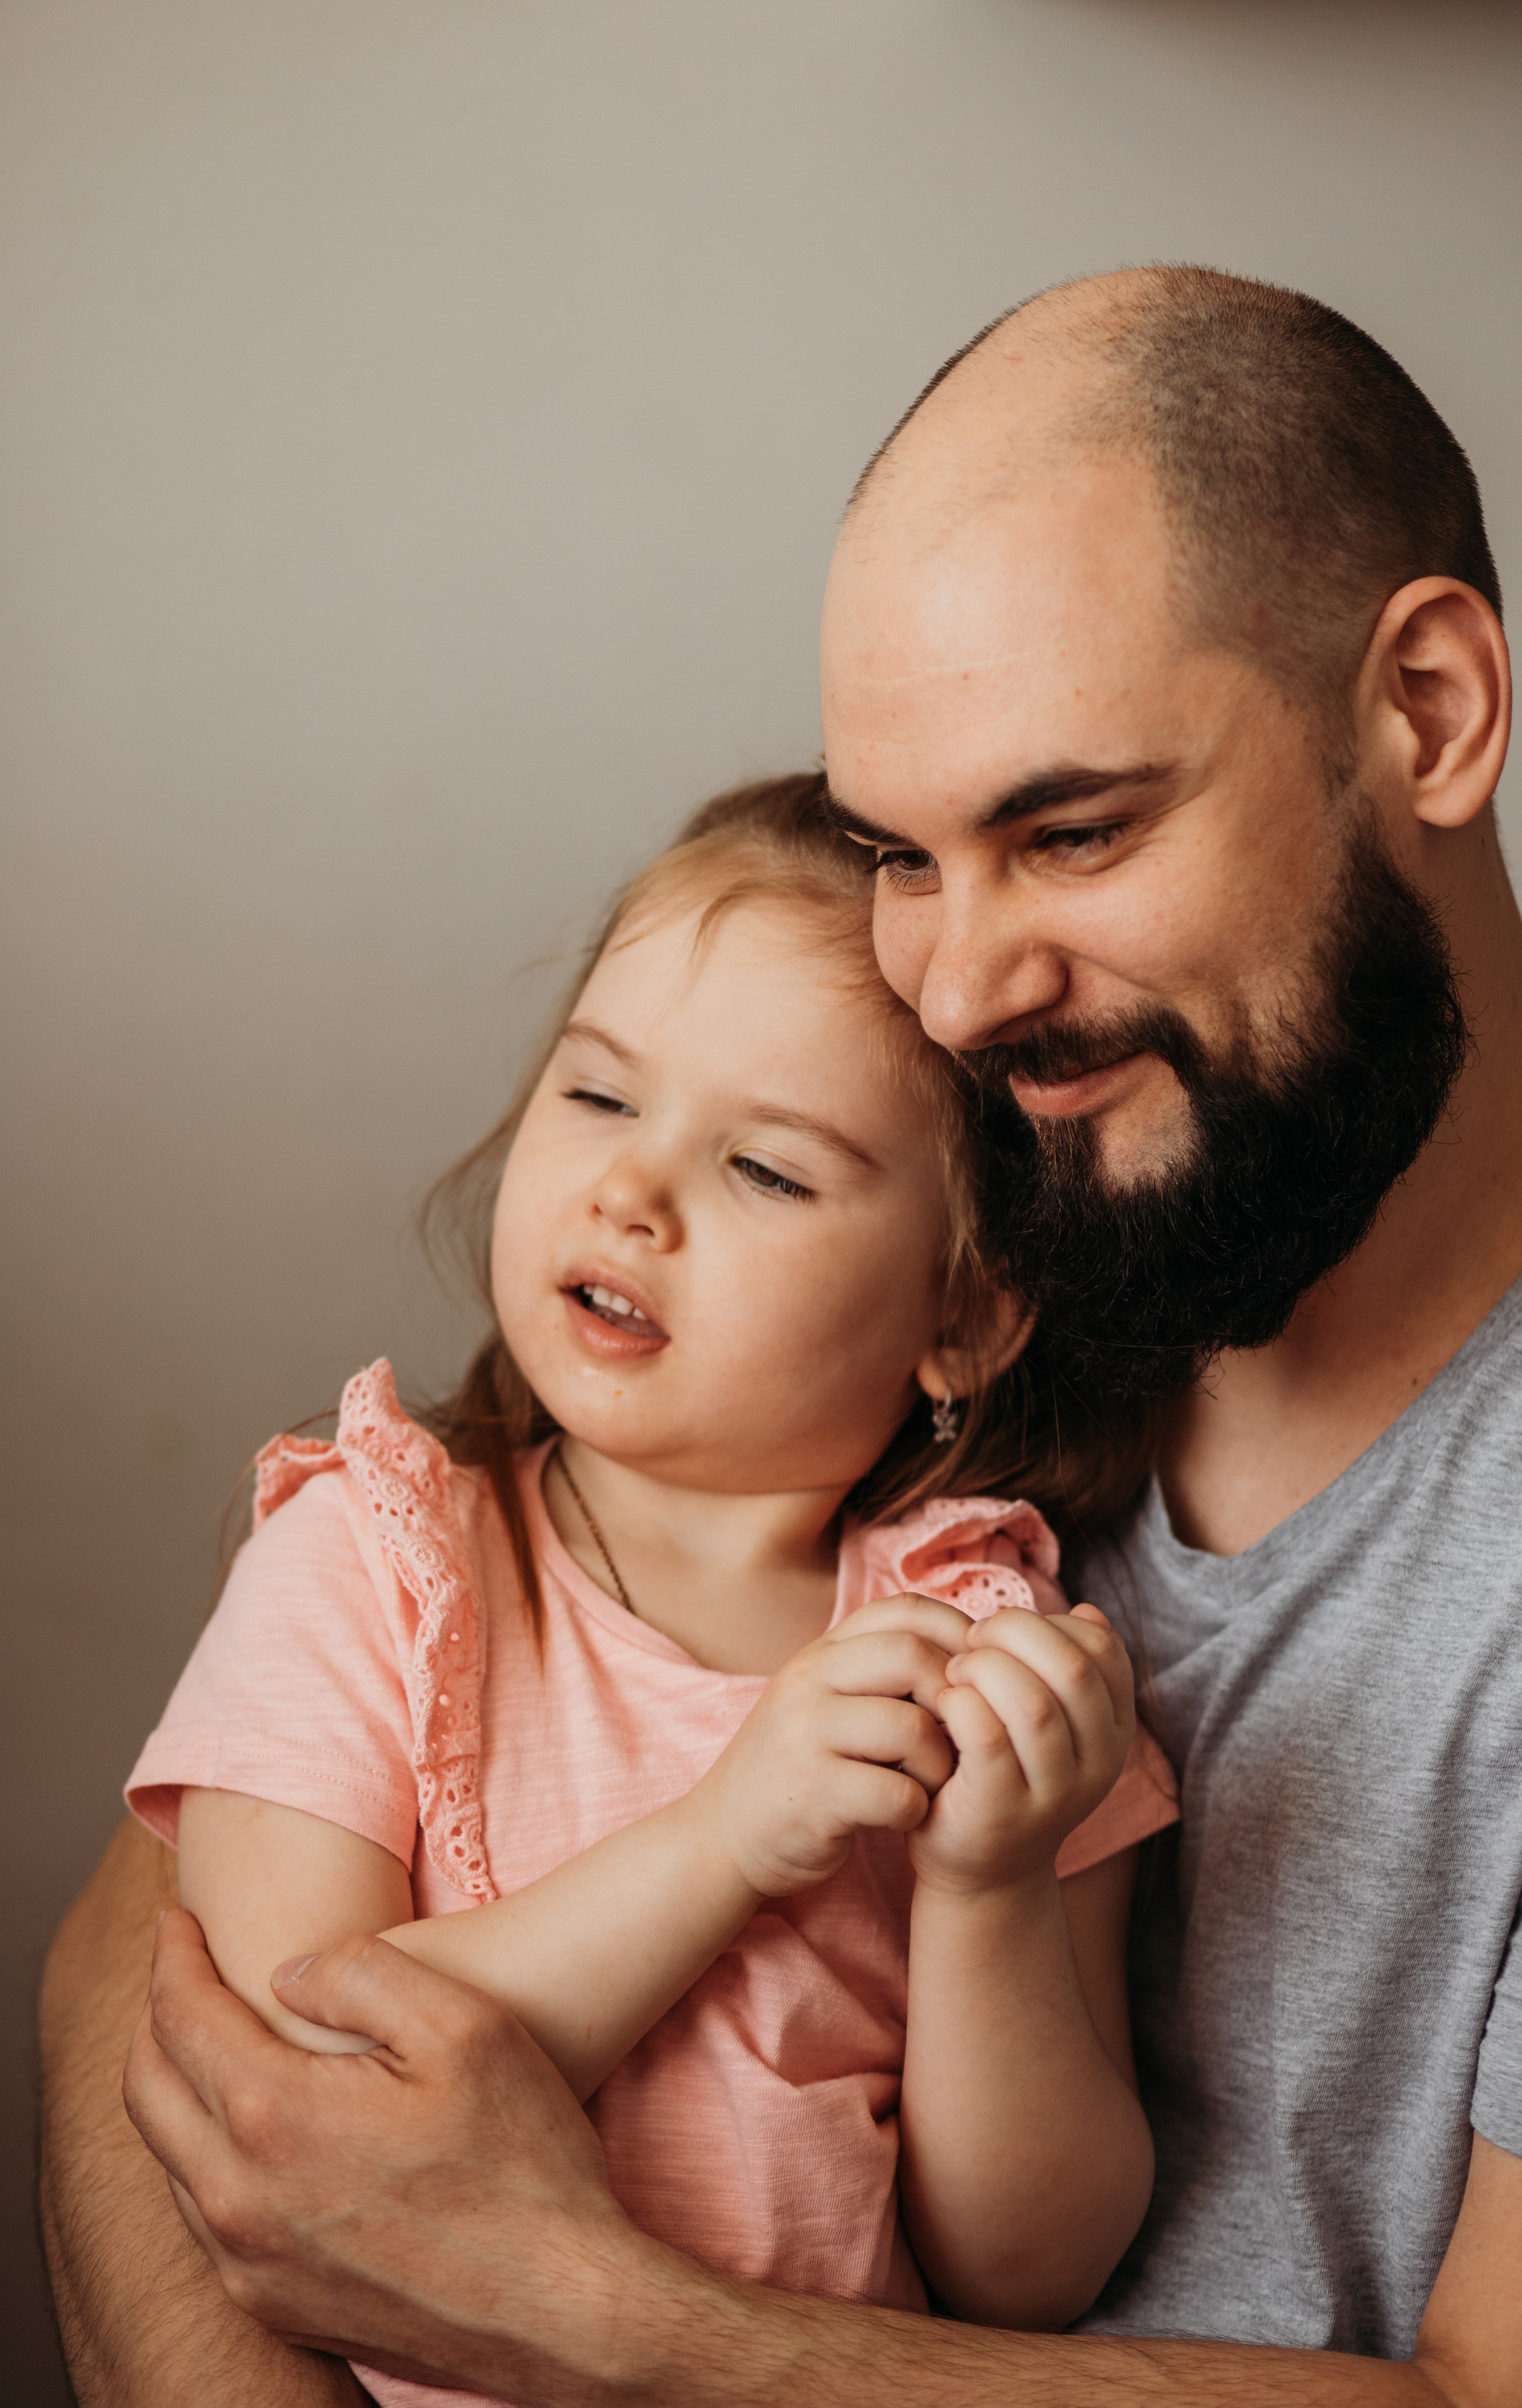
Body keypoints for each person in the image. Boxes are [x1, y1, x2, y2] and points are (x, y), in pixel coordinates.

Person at [42, 267, 1522, 2405]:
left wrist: (591, 2317)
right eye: (903, 853)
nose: (959, 986)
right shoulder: (933, 1220)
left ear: (1433, 714)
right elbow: (153, 1961)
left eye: (1075, 830)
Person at [117, 775, 1177, 2407]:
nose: (632, 1192)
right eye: (601, 1098)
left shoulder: (988, 1656)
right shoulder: (368, 1564)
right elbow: (292, 2098)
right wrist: (720, 1840)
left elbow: (1029, 2277)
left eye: (764, 1170)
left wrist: (985, 1892)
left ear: (963, 1316)